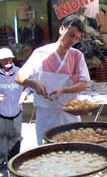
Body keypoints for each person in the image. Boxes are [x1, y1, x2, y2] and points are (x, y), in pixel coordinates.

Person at [16, 15, 90, 145]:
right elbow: (19, 77)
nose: (72, 40)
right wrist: (33, 83)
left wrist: (64, 89)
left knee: (74, 153)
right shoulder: (41, 53)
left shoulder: (77, 56)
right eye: (71, 35)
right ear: (62, 29)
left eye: (77, 38)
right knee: (47, 151)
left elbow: (83, 84)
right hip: (46, 113)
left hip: (70, 114)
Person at [0, 48, 24, 166]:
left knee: (16, 139)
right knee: (2, 141)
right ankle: (1, 164)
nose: (7, 61)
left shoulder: (19, 72)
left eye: (9, 58)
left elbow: (30, 85)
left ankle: (14, 163)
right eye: (4, 59)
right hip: (1, 112)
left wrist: (24, 95)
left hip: (16, 111)